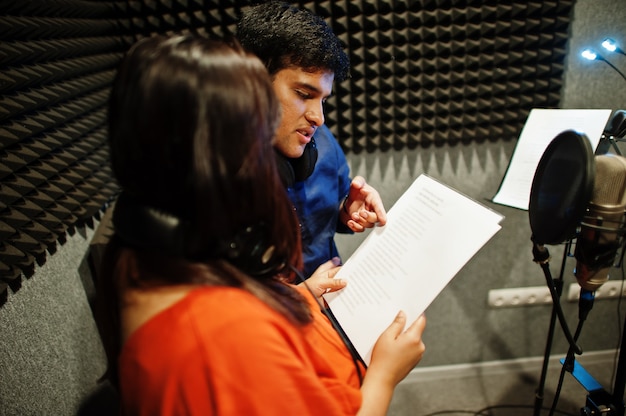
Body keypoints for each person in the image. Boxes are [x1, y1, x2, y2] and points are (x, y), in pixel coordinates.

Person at [97, 34, 426, 415]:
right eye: (257, 135)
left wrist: (300, 295)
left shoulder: (142, 254)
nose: (317, 118)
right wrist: (385, 374)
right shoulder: (229, 334)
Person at [236, 1, 388, 278]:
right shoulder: (210, 174)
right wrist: (301, 297)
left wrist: (347, 211)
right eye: (304, 95)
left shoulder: (324, 143)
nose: (319, 118)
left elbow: (328, 221)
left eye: (323, 100)